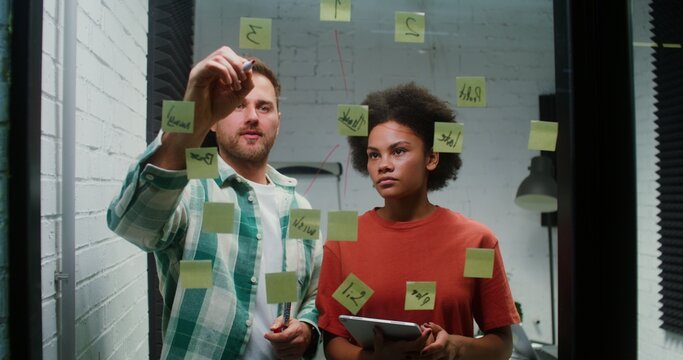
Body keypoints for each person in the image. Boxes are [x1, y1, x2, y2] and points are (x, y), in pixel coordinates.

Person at [107, 46, 322, 359]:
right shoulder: (191, 187)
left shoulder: (300, 208)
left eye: (264, 108)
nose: (252, 117)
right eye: (237, 106)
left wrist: (305, 328)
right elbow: (133, 224)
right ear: (212, 121)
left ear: (278, 120)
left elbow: (315, 294)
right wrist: (192, 112)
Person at [316, 82, 520, 359]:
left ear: (432, 158)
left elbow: (502, 344)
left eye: (398, 151)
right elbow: (332, 342)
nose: (383, 164)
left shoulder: (476, 241)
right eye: (374, 154)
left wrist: (455, 347)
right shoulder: (344, 241)